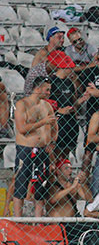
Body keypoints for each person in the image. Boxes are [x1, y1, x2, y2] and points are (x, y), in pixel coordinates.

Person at [11, 77, 56, 217]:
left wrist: (52, 143)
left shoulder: (47, 106)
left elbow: (55, 127)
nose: (49, 93)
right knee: (21, 186)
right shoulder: (22, 104)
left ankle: (38, 221)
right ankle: (18, 220)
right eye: (47, 90)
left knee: (41, 188)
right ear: (38, 89)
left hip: (43, 150)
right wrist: (42, 122)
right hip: (26, 149)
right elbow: (22, 129)